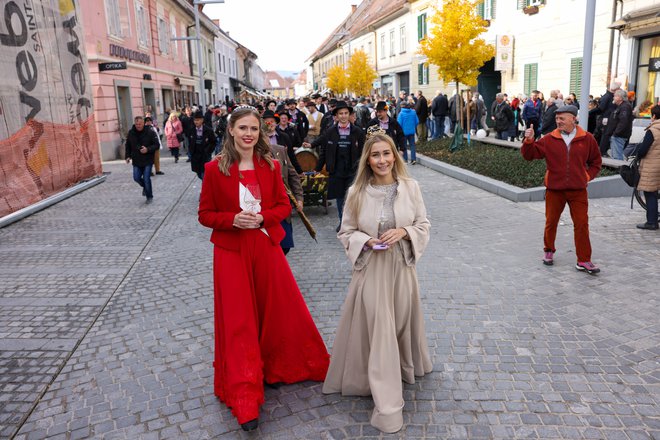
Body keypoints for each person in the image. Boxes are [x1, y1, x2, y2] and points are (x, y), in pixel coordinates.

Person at [198, 106, 329, 432]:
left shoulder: (270, 165)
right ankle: (245, 394)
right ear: (231, 130)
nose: (248, 134)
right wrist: (231, 220)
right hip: (231, 252)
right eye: (242, 128)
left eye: (253, 129)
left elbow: (284, 205)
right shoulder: (214, 169)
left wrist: (263, 218)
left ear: (260, 132)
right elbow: (205, 214)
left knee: (279, 311)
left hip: (266, 246)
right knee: (239, 320)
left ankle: (275, 367)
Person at [323, 130, 432, 434]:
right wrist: (366, 240)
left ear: (395, 155)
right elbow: (345, 233)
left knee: (398, 323)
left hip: (401, 270)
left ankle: (403, 366)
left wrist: (405, 232)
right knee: (381, 328)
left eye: (387, 154)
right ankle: (388, 408)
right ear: (367, 160)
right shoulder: (357, 192)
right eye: (375, 155)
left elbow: (423, 224)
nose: (382, 160)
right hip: (371, 271)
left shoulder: (411, 187)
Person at [520, 105, 602, 274]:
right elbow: (530, 155)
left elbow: (596, 163)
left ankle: (584, 260)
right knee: (551, 222)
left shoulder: (587, 139)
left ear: (573, 119)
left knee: (581, 224)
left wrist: (586, 177)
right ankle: (548, 250)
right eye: (557, 118)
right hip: (554, 189)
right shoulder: (550, 138)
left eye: (562, 118)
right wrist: (529, 141)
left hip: (578, 190)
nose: (558, 121)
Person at [304, 100, 366, 231]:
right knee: (340, 197)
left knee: (352, 196)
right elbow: (324, 150)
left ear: (349, 115)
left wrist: (364, 168)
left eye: (346, 113)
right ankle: (343, 221)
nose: (343, 116)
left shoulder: (358, 132)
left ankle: (353, 222)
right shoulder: (330, 131)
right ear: (336, 116)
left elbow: (363, 152)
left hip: (352, 169)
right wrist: (317, 168)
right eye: (341, 114)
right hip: (336, 169)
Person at [263, 110, 305, 252]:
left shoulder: (280, 149)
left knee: (285, 246)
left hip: (282, 205)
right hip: (264, 208)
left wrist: (299, 198)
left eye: (271, 121)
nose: (269, 124)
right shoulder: (253, 153)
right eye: (266, 122)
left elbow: (292, 174)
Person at [634, 104, 660, 230]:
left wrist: (637, 156)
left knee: (650, 193)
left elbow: (643, 149)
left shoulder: (653, 130)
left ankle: (651, 222)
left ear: (654, 116)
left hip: (652, 166)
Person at [125, 116, 159, 203]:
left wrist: (147, 149)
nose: (138, 126)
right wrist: (127, 156)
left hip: (148, 159)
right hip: (136, 159)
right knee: (136, 178)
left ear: (143, 123)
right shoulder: (131, 132)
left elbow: (156, 145)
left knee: (146, 178)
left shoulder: (150, 132)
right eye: (136, 124)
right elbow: (128, 145)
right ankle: (145, 187)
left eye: (140, 124)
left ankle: (149, 196)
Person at [606, 89, 634, 160]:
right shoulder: (622, 106)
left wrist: (616, 133)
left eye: (615, 96)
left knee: (617, 158)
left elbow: (623, 122)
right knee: (615, 156)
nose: (613, 97)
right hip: (618, 135)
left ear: (620, 98)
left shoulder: (625, 107)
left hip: (619, 136)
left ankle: (618, 171)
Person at [188, 110, 216, 180]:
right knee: (199, 174)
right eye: (194, 120)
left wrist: (208, 151)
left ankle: (205, 190)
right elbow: (190, 142)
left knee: (204, 175)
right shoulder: (192, 130)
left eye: (197, 120)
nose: (196, 122)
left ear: (202, 120)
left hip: (205, 156)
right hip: (195, 157)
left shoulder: (208, 130)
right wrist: (191, 152)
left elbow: (213, 142)